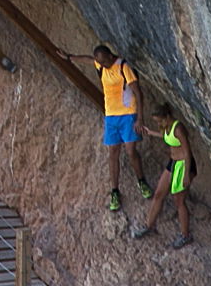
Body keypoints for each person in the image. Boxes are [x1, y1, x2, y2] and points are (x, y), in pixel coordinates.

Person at [63, 43, 156, 213]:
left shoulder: (123, 66)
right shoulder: (100, 64)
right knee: (113, 152)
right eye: (101, 63)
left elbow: (138, 92)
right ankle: (114, 191)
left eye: (105, 62)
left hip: (128, 114)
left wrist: (140, 118)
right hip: (111, 116)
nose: (103, 65)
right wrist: (69, 57)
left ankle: (141, 181)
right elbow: (88, 60)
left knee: (130, 151)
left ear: (110, 57)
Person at [143, 104, 197, 245]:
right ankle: (149, 225)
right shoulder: (167, 127)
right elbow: (166, 136)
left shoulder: (178, 128)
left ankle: (185, 235)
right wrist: (151, 132)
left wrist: (186, 174)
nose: (159, 124)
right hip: (173, 163)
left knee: (179, 201)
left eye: (160, 121)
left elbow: (187, 152)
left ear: (167, 117)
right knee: (159, 194)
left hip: (183, 165)